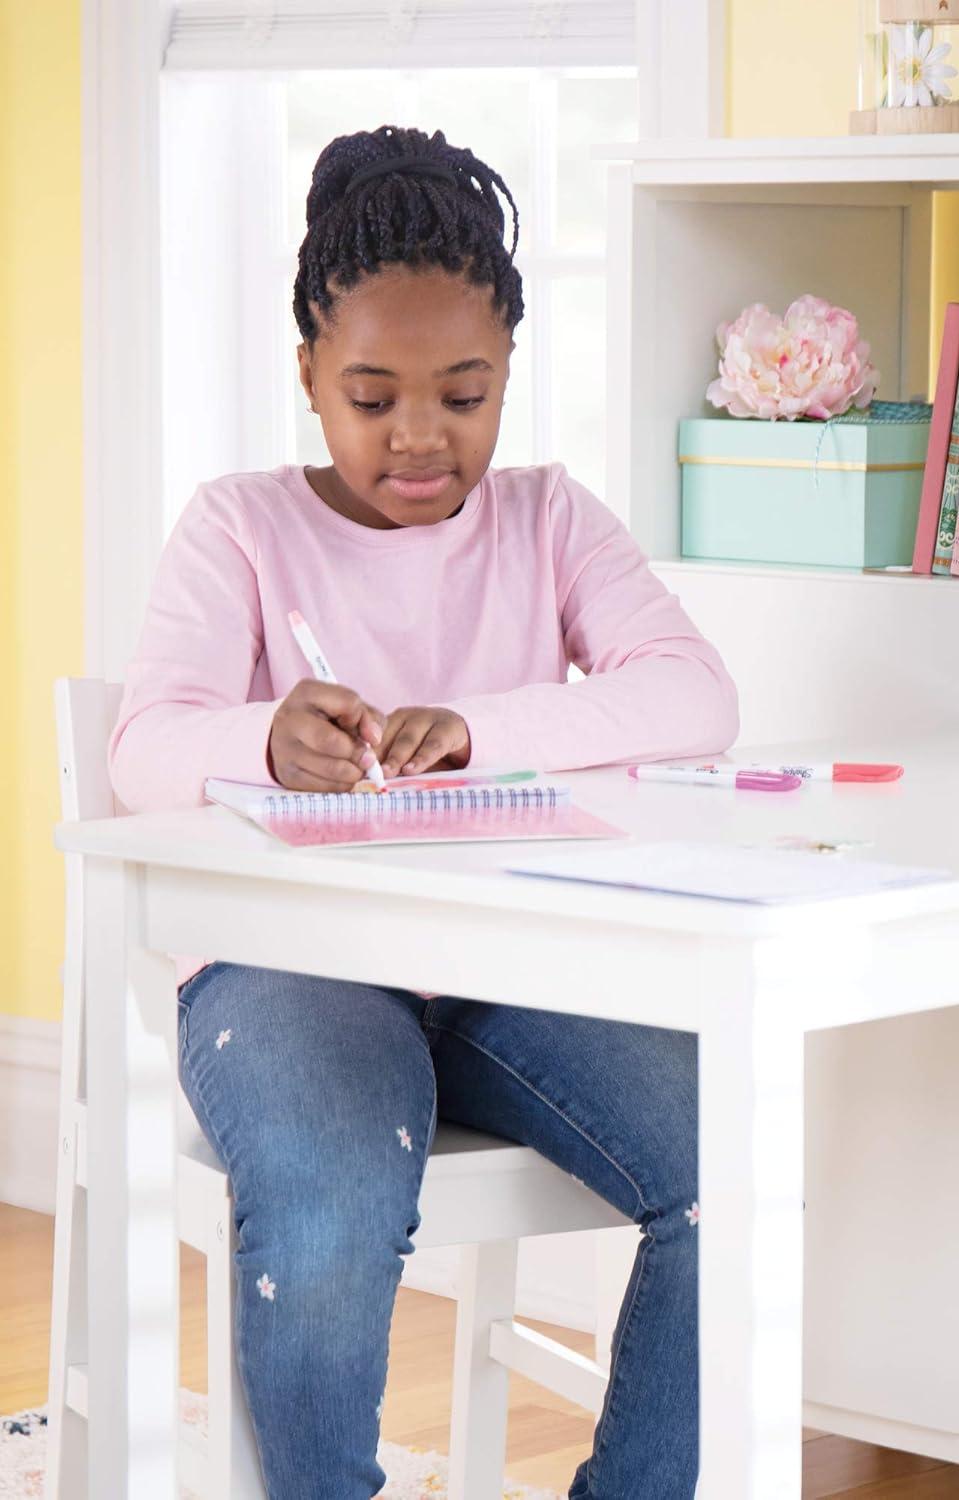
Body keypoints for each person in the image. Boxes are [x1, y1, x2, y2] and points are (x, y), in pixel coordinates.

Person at [109, 123, 738, 1500]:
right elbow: (142, 749)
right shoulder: (241, 527)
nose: (417, 437)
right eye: (372, 393)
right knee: (332, 1207)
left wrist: (480, 733)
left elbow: (695, 696)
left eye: (464, 394)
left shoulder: (551, 518)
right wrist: (264, 739)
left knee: (734, 1163)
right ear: (307, 377)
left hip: (518, 964)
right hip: (294, 968)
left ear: (507, 370)